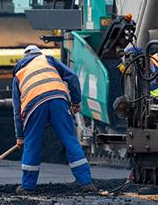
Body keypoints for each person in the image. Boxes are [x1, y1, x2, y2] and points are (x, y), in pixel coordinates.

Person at [11, 45, 95, 194]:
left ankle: (28, 186)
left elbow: (17, 110)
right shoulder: (48, 60)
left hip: (33, 105)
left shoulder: (19, 73)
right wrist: (75, 102)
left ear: (25, 57)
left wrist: (20, 135)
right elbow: (72, 77)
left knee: (32, 144)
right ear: (38, 54)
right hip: (58, 99)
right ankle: (86, 182)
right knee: (71, 141)